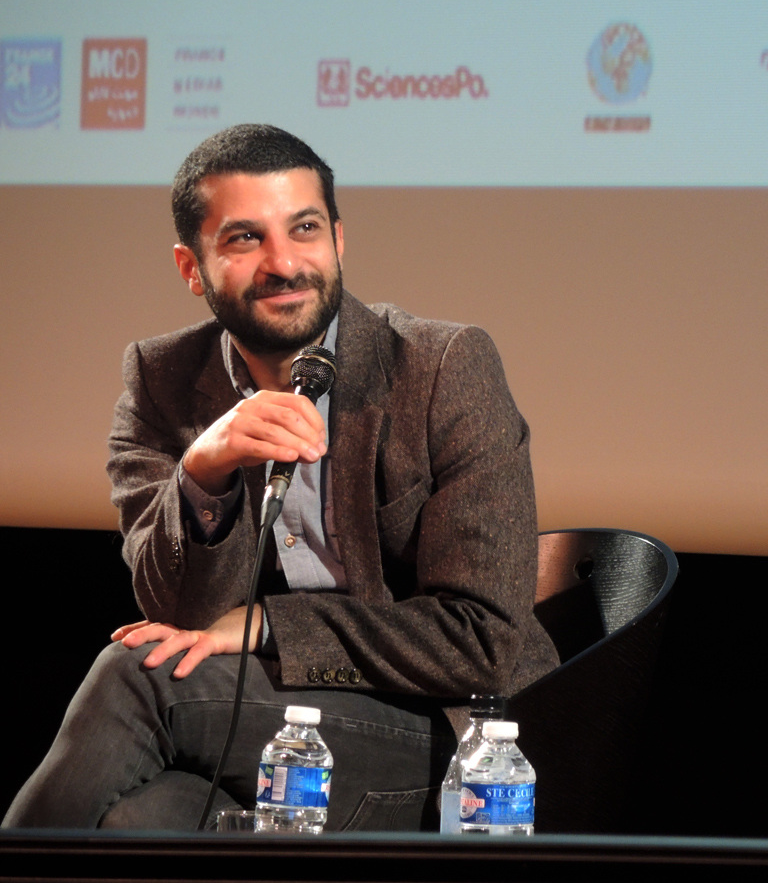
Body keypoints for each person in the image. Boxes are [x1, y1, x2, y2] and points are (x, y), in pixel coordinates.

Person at [3, 124, 558, 831]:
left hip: (452, 744)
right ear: (191, 267)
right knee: (143, 820)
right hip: (277, 722)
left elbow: (484, 643)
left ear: (339, 240)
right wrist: (204, 473)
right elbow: (183, 616)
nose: (285, 263)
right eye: (245, 238)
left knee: (135, 676)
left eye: (305, 229)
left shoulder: (443, 367)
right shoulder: (160, 383)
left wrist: (269, 625)